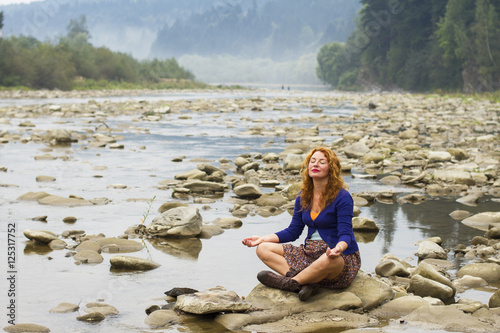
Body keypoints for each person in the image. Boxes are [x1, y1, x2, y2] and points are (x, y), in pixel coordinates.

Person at [242, 147, 361, 301]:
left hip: (339, 257)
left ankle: (291, 283)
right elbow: (293, 231)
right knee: (263, 248)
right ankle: (306, 283)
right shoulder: (303, 197)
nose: (315, 164)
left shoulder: (342, 197)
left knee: (327, 259)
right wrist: (262, 239)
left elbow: (346, 234)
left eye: (322, 162)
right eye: (312, 161)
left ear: (331, 168)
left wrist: (338, 248)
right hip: (310, 253)